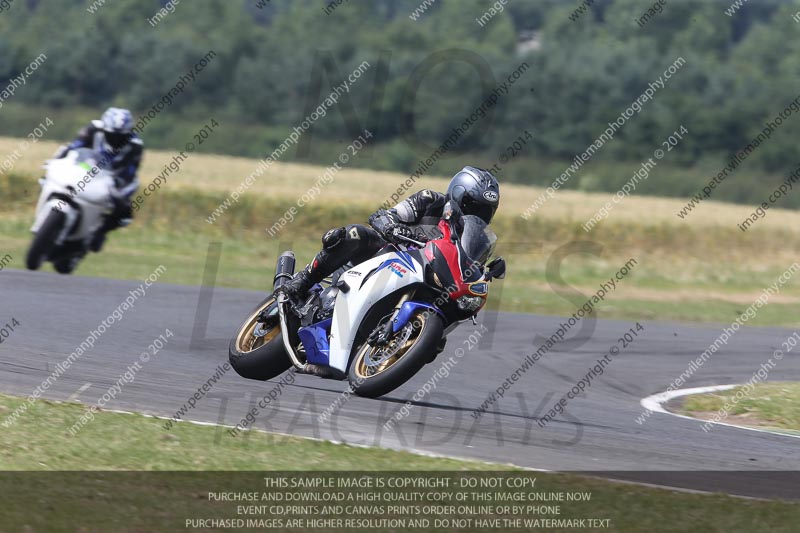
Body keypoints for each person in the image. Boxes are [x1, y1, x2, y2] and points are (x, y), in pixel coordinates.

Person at [280, 165, 500, 302]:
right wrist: (392, 227)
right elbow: (384, 215)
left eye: (484, 211)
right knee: (355, 234)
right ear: (457, 193)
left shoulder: (473, 238)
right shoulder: (430, 201)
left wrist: (483, 277)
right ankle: (304, 280)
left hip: (424, 284)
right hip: (384, 258)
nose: (475, 214)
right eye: (471, 205)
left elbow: (467, 272)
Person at [55, 107, 143, 252]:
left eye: (120, 136)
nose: (115, 139)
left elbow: (130, 171)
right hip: (85, 168)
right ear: (104, 128)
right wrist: (58, 159)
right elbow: (74, 146)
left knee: (124, 211)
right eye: (111, 134)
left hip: (113, 177)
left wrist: (117, 185)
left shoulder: (135, 145)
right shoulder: (93, 128)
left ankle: (100, 231)